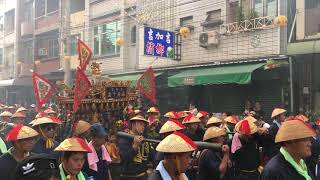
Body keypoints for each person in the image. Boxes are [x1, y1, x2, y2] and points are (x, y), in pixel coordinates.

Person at [118, 115, 152, 180]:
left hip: (143, 176)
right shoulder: (124, 140)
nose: (143, 127)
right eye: (141, 124)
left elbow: (151, 156)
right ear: (133, 124)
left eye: (144, 125)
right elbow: (125, 158)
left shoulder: (144, 140)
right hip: (129, 177)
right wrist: (135, 146)